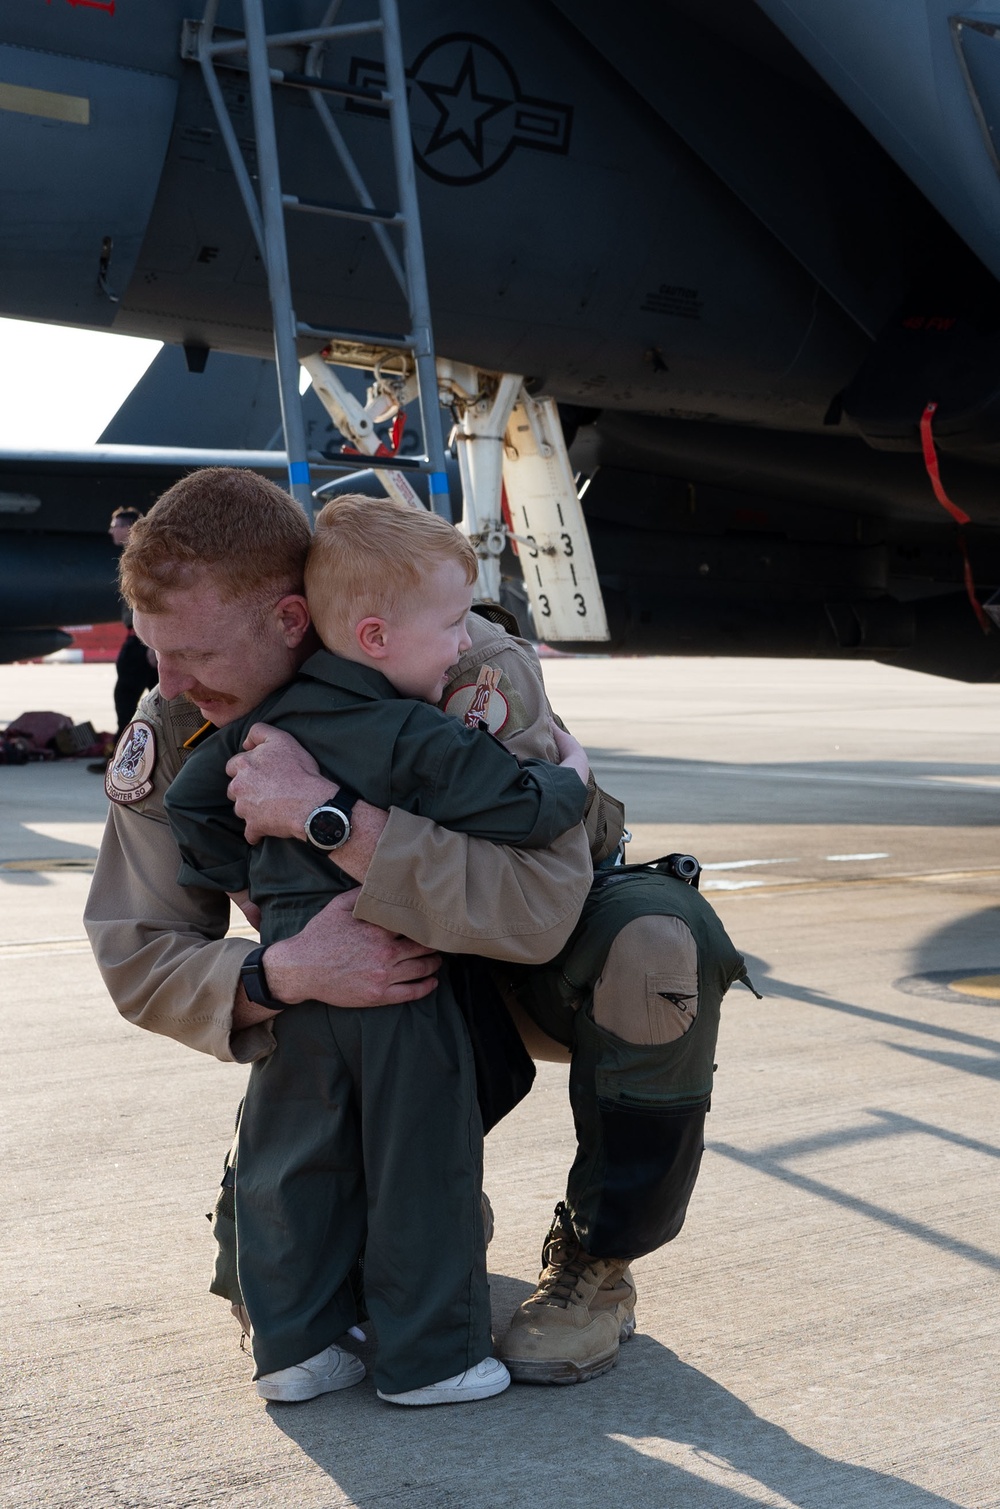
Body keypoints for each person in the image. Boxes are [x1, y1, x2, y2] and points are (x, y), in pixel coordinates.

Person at [83, 466, 749, 1399]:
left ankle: (597, 1259)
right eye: (155, 650)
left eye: (194, 652)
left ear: (289, 621)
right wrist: (284, 969)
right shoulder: (179, 718)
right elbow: (138, 945)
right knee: (274, 1288)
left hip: (518, 964)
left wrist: (333, 824)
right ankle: (406, 1212)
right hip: (346, 996)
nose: (169, 681)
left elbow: (539, 905)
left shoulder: (457, 664)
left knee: (656, 946)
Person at [162, 495, 590, 1407]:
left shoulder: (261, 726)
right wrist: (569, 776)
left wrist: (263, 892)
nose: (457, 646)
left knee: (294, 1159)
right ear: (377, 635)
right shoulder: (413, 732)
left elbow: (193, 802)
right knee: (421, 1164)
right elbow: (516, 806)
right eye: (446, 627)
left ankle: (294, 1351)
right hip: (400, 978)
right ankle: (431, 1361)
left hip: (300, 972)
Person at [88, 507, 157, 772]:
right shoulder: (141, 557)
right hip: (144, 641)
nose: (111, 530)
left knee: (126, 700)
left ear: (129, 528)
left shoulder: (142, 559)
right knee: (156, 704)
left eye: (116, 524)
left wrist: (151, 645)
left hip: (142, 643)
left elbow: (148, 601)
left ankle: (120, 761)